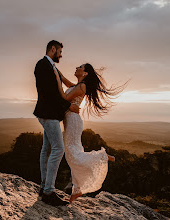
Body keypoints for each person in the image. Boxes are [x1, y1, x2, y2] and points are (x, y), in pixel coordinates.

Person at [53, 63, 128, 203]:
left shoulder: (81, 87)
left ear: (85, 73)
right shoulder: (76, 85)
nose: (76, 67)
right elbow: (64, 80)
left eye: (80, 67)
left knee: (72, 155)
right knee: (73, 154)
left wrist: (56, 83)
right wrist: (56, 71)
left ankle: (102, 156)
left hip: (73, 121)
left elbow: (63, 97)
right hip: (71, 120)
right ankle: (77, 190)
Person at [33, 40, 80, 206]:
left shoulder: (50, 65)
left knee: (47, 149)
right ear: (53, 49)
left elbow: (63, 82)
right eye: (60, 51)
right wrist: (70, 106)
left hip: (49, 113)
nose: (61, 55)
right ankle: (48, 191)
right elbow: (50, 93)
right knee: (58, 148)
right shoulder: (43, 65)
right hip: (48, 113)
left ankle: (44, 186)